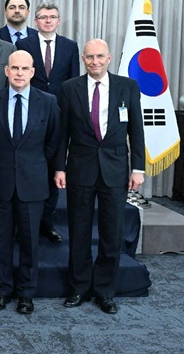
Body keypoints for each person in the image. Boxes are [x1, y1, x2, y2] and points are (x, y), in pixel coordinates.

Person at [55, 38, 145, 314]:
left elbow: (137, 130)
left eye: (100, 57)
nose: (94, 61)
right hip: (80, 169)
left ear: (109, 58)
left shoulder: (127, 86)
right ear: (83, 59)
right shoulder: (69, 88)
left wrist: (138, 168)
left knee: (111, 233)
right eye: (89, 57)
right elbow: (62, 134)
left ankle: (105, 290)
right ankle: (79, 287)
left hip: (116, 170)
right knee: (79, 232)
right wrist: (60, 166)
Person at [0, 51, 59, 314]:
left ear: (32, 72)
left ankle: (26, 293)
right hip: (0, 181)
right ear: (6, 71)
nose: (19, 73)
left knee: (29, 241)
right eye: (14, 68)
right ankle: (2, 290)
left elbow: (53, 143)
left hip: (33, 182)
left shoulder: (48, 102)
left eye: (24, 68)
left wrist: (35, 166)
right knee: (0, 240)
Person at [17, 2, 80, 243]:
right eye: (43, 17)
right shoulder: (24, 45)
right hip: (32, 113)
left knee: (54, 167)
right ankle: (24, 222)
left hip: (60, 114)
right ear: (35, 21)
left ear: (58, 20)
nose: (47, 21)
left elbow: (73, 82)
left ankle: (48, 223)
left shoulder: (70, 47)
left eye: (52, 17)